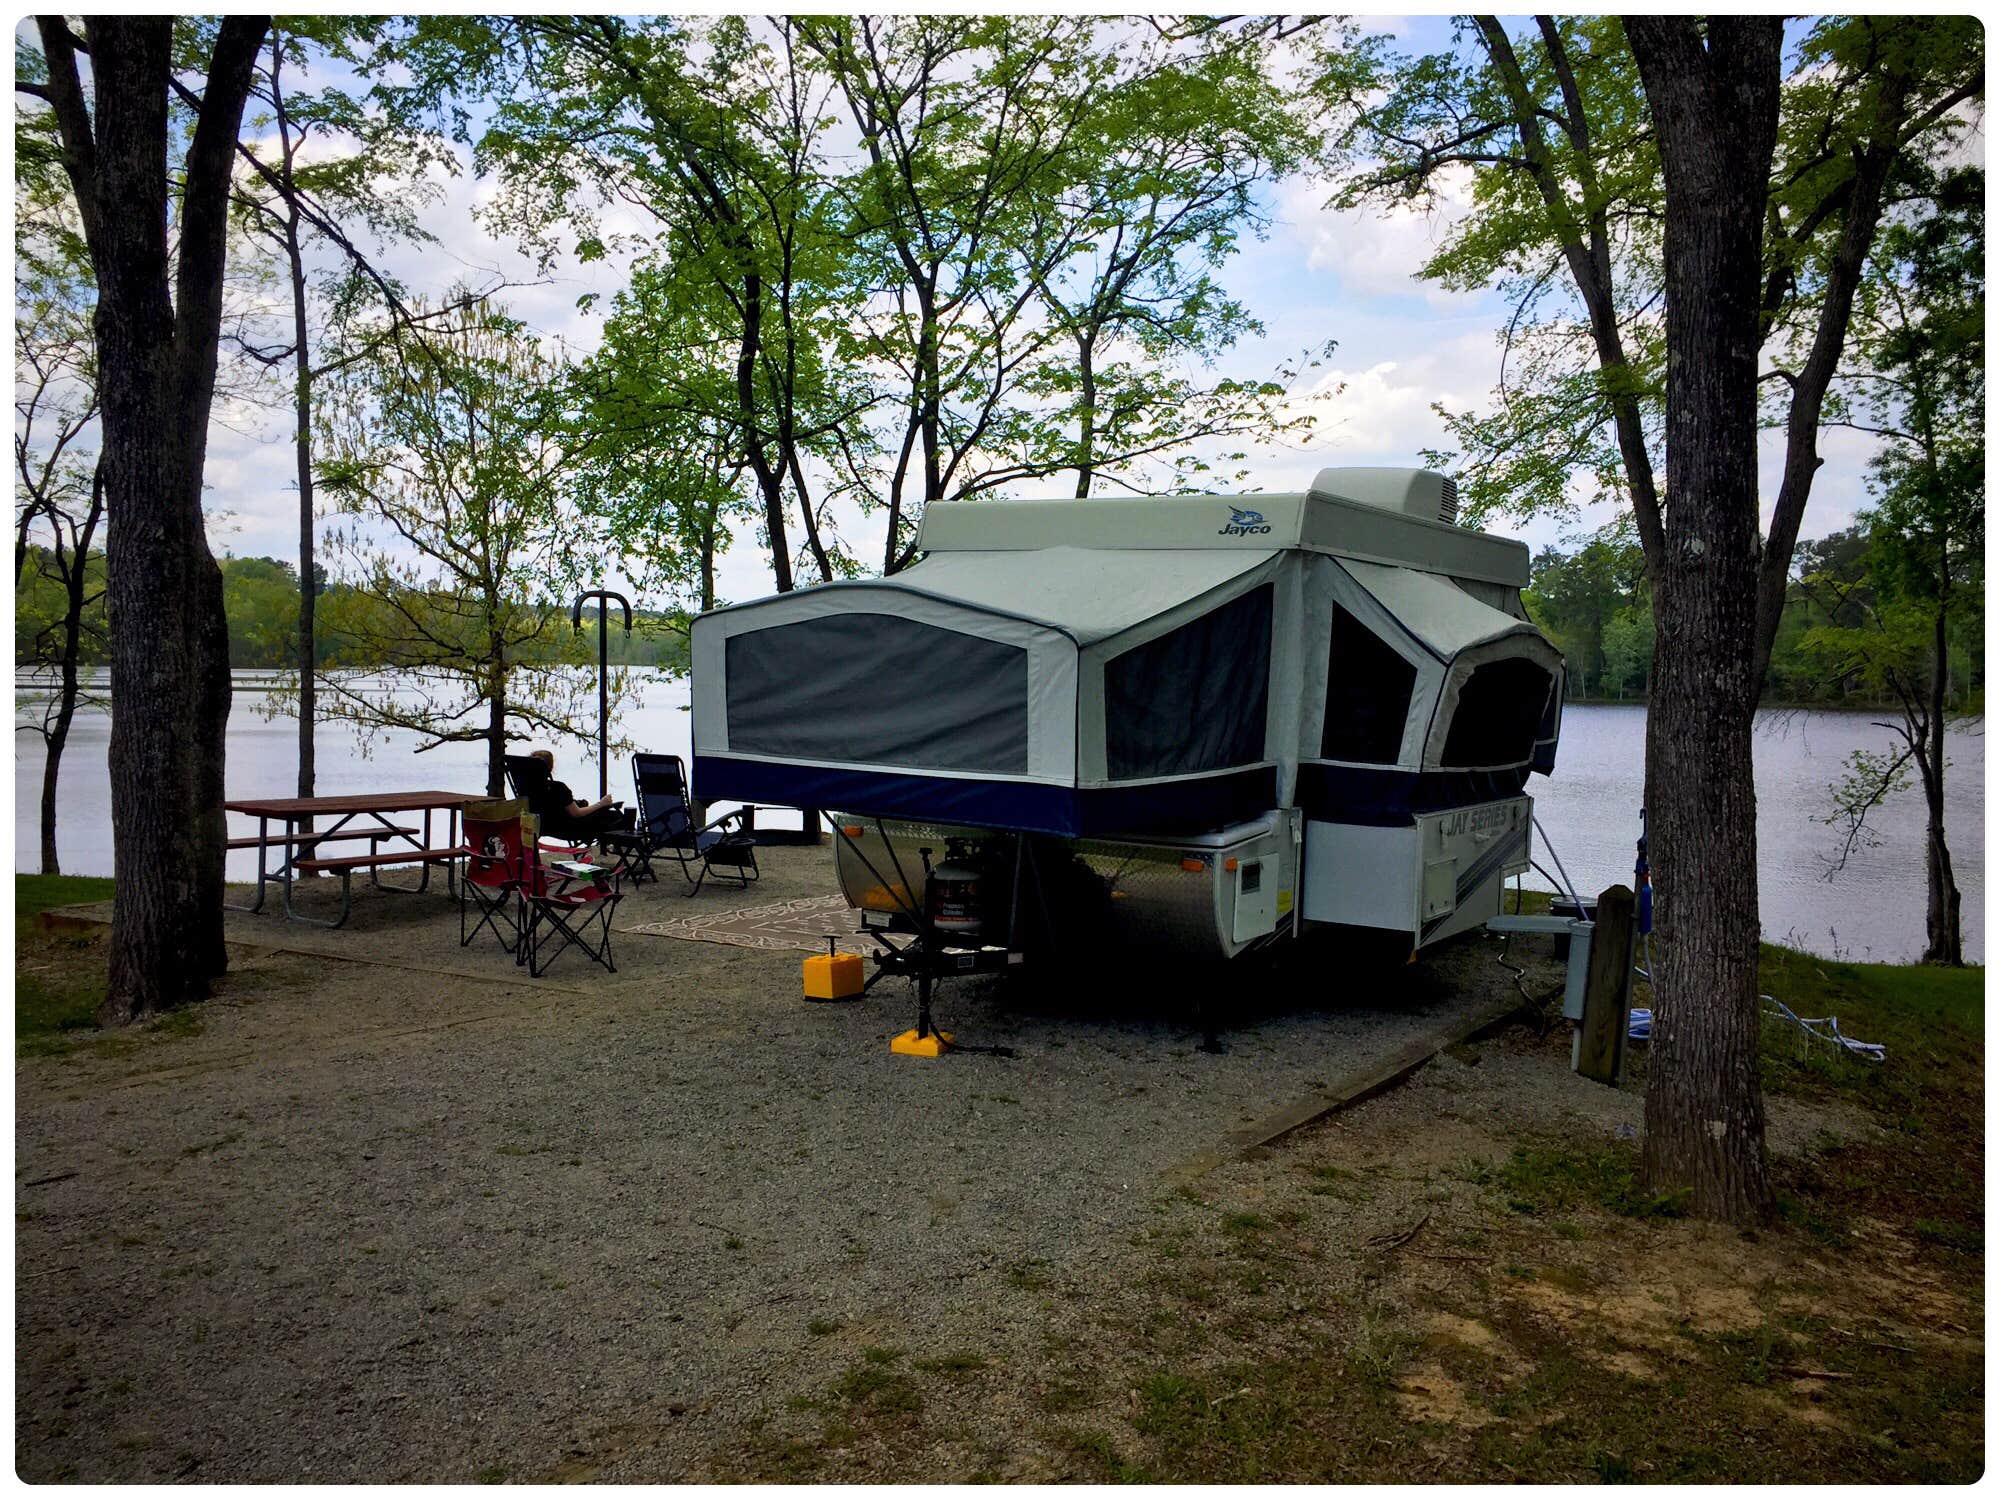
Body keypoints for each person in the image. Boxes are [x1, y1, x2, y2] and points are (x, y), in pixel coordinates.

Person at [525, 749, 633, 839]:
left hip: (542, 825)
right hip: (567, 828)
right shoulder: (558, 788)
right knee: (615, 817)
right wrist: (601, 803)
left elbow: (555, 805)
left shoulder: (526, 787)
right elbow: (576, 814)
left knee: (594, 810)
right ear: (550, 768)